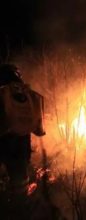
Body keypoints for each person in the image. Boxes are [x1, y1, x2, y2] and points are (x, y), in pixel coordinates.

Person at [0, 64, 45, 194]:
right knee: (20, 181)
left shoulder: (2, 92)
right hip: (22, 144)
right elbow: (38, 128)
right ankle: (21, 202)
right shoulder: (28, 93)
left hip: (3, 140)